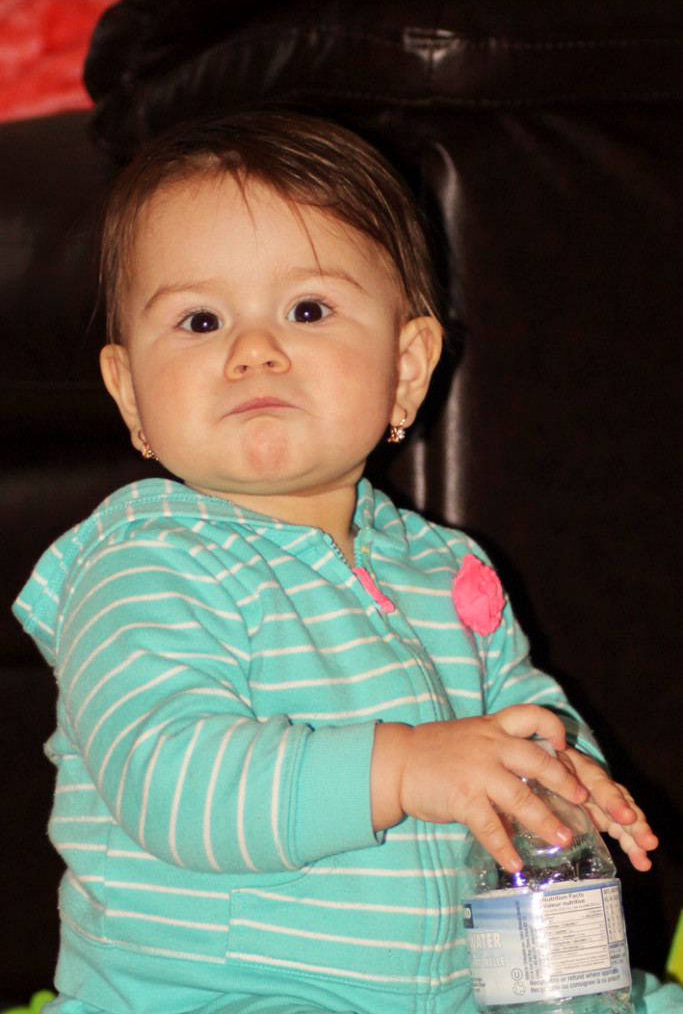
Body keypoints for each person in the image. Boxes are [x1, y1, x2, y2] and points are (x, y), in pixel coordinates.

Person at [14, 111, 663, 1014]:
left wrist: (564, 772)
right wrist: (403, 769)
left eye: (307, 310)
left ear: (406, 369)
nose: (252, 351)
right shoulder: (144, 562)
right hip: (220, 999)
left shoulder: (444, 568)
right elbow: (170, 780)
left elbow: (523, 712)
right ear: (130, 395)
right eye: (200, 321)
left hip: (464, 988)